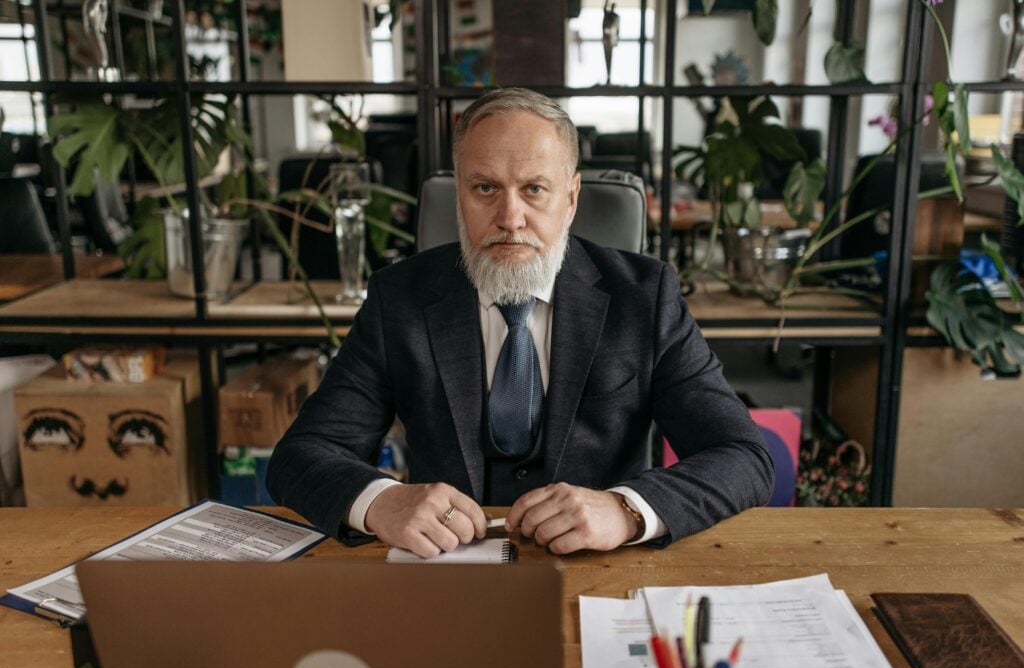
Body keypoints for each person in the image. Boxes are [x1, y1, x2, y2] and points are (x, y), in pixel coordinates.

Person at [267, 88, 773, 558]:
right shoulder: (399, 297)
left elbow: (743, 455)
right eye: (485, 188)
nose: (510, 217)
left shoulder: (644, 296)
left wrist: (626, 510)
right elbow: (302, 455)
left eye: (534, 189)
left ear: (571, 199)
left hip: (601, 568)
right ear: (459, 195)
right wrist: (380, 501)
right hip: (447, 566)